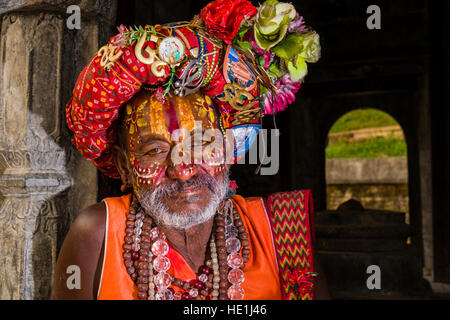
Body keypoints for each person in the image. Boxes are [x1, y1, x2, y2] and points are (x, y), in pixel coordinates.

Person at [51, 0, 330, 300]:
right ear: (124, 166)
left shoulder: (280, 232)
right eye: (156, 150)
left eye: (200, 143)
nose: (182, 169)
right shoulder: (97, 234)